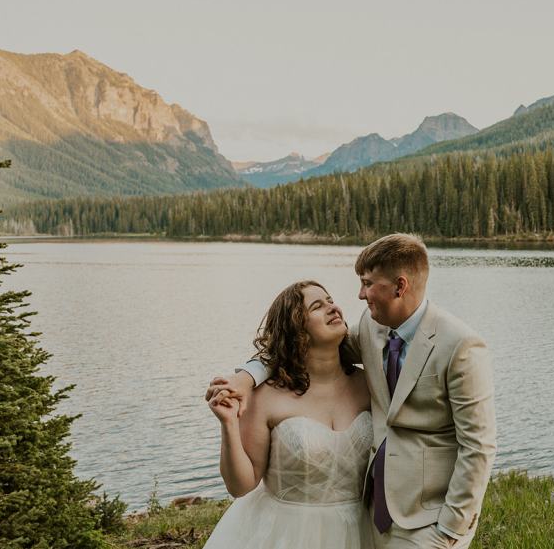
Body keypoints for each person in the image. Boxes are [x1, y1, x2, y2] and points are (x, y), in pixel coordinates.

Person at [208, 234, 497, 549]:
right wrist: (245, 379)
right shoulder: (371, 330)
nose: (355, 297)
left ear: (399, 286)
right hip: (340, 524)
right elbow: (286, 348)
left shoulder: (458, 345)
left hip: (423, 517)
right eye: (318, 305)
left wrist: (453, 528)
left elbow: (478, 445)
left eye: (367, 283)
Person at [202, 280, 374, 549]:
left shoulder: (369, 384)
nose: (333, 308)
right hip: (285, 533)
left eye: (330, 301)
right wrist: (229, 425)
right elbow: (241, 486)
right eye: (317, 306)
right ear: (296, 329)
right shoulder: (265, 396)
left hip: (360, 530)